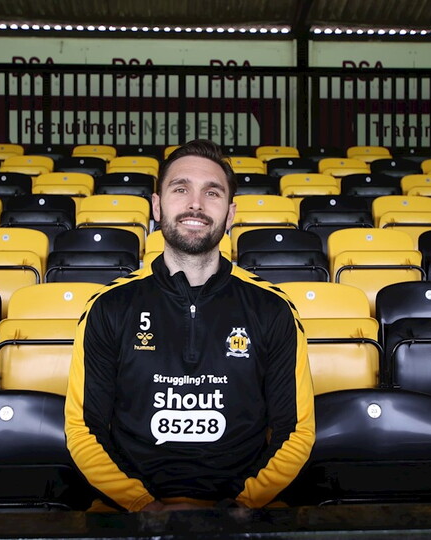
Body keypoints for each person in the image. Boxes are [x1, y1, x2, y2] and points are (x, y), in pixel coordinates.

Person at [65, 139, 315, 512]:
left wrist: (241, 508)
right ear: (156, 205)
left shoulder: (273, 308)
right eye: (180, 189)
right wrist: (142, 506)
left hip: (244, 514)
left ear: (230, 214)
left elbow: (295, 432)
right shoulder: (108, 306)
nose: (195, 204)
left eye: (212, 193)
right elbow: (84, 430)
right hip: (129, 514)